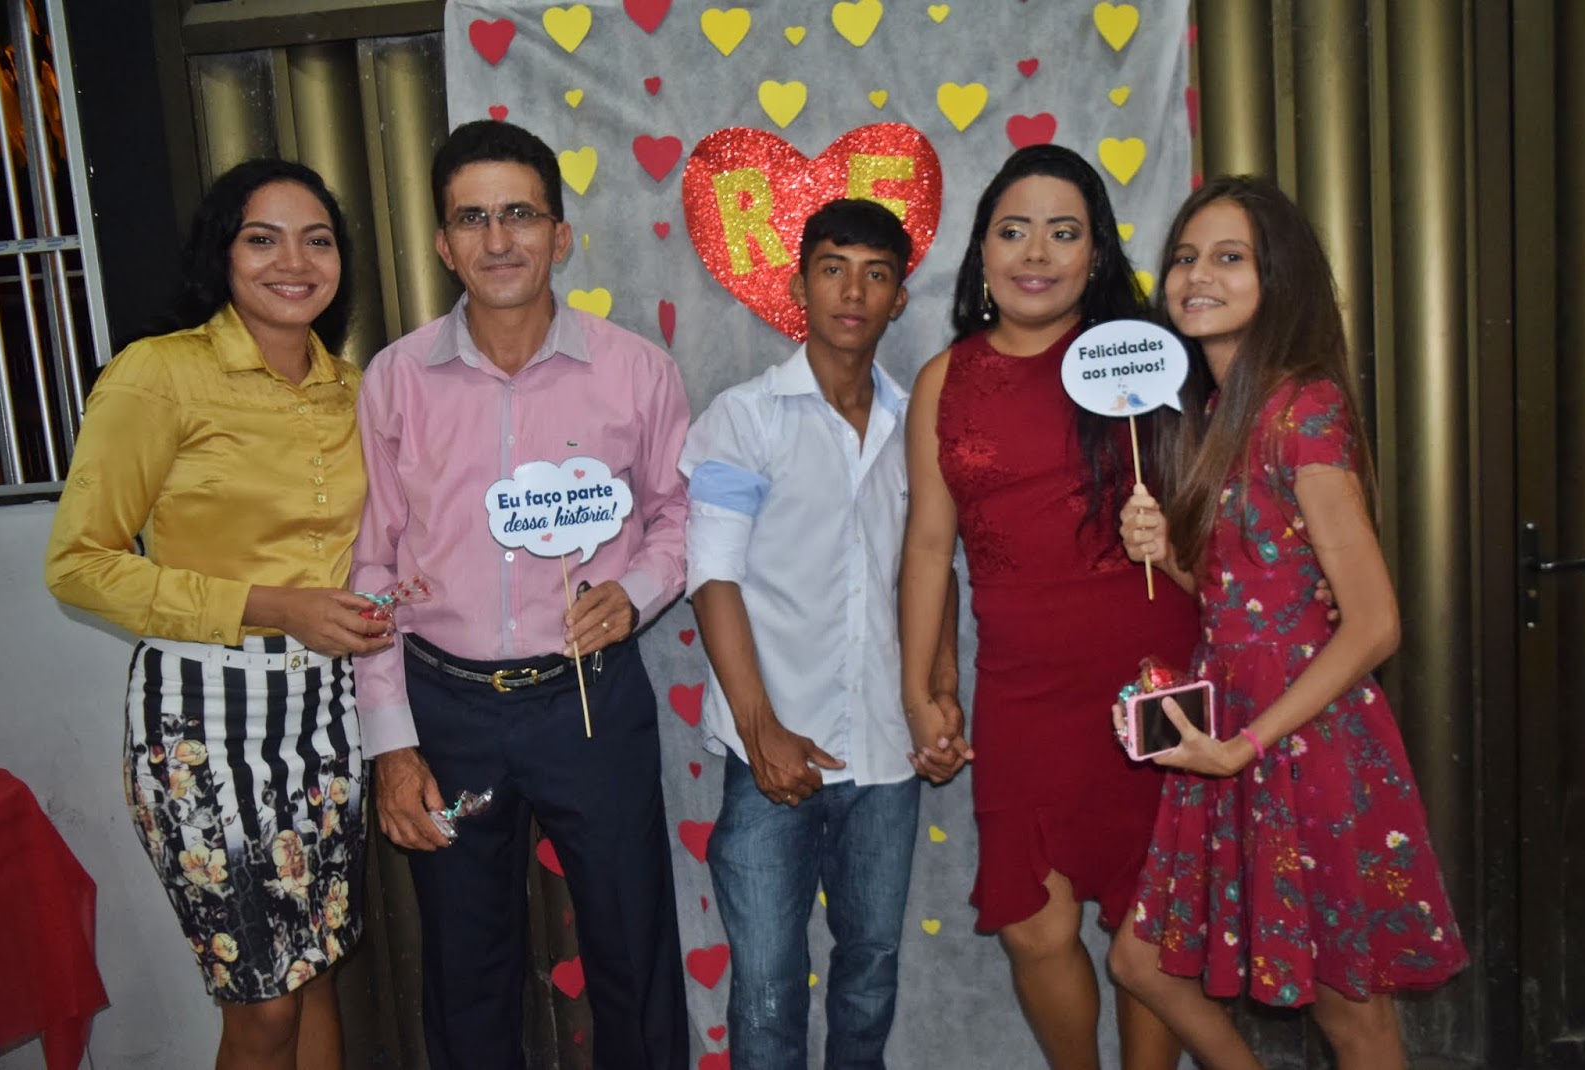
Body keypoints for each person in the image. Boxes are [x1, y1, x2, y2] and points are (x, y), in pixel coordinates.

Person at [1107, 175, 1469, 1068]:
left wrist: (1247, 744)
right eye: (1185, 257)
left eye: (1229, 257)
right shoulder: (1217, 414)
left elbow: (1375, 622)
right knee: (1141, 962)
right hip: (1229, 726)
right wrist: (1166, 554)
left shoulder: (1304, 410)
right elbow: (1238, 592)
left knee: (1353, 1012)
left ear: (1280, 279)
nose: (1197, 275)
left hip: (1303, 740)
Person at [350, 119, 689, 1070]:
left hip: (589, 702)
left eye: (520, 215)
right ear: (443, 244)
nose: (498, 239)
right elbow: (371, 566)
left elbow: (681, 514)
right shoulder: (396, 380)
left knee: (632, 953)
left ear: (561, 233)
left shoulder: (636, 371)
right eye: (473, 219)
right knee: (467, 972)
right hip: (447, 713)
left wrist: (635, 592)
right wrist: (391, 744)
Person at [45, 158, 386, 1069]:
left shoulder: (356, 390)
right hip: (202, 720)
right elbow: (79, 564)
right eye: (262, 238)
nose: (294, 261)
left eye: (318, 240)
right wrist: (270, 606)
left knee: (315, 971)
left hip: (329, 717)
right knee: (263, 1006)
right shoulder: (159, 373)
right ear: (221, 254)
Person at [897, 145, 1192, 1070]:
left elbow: (1224, 524)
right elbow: (928, 548)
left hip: (1155, 668)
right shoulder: (945, 380)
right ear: (981, 250)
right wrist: (920, 689)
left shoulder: (1149, 363)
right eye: (1013, 230)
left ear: (1096, 252)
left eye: (1063, 232)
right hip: (1022, 688)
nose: (1035, 252)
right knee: (1033, 924)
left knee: (1151, 921)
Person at [680, 199, 958, 1070]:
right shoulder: (745, 418)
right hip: (775, 754)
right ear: (800, 285)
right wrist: (761, 729)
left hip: (886, 753)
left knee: (870, 976)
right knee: (768, 993)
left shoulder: (919, 426)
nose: (854, 292)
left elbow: (934, 568)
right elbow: (711, 579)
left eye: (877, 275)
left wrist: (943, 692)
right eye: (834, 269)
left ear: (900, 299)